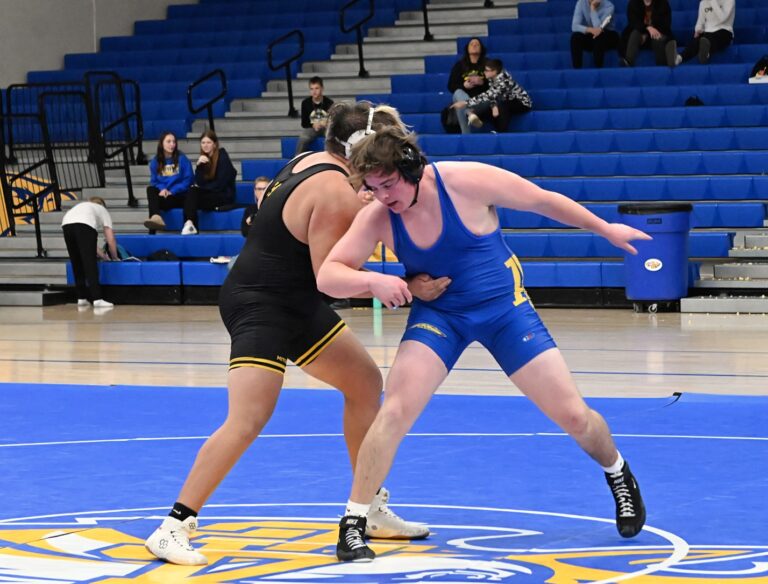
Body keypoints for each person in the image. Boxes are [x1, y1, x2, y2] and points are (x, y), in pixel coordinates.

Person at [315, 123, 652, 562]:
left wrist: (605, 229)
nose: (383, 196)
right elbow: (328, 273)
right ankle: (353, 523)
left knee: (573, 414)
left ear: (410, 166)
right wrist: (381, 279)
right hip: (441, 316)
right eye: (374, 189)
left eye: (389, 184)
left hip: (503, 310)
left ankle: (618, 472)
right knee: (394, 409)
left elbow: (543, 201)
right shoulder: (379, 215)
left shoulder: (464, 181)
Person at [144, 103, 439, 567]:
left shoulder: (308, 162)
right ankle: (172, 526)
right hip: (262, 304)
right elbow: (332, 277)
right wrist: (394, 282)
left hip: (292, 299)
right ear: (359, 148)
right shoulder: (334, 190)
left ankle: (372, 508)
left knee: (364, 384)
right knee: (248, 418)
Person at [61, 197, 118, 309]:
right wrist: (115, 257)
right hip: (84, 225)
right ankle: (97, 299)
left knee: (76, 262)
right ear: (102, 205)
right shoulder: (102, 209)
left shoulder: (82, 206)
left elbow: (89, 246)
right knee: (90, 263)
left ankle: (81, 298)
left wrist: (103, 255)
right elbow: (110, 238)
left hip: (66, 224)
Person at [451, 58, 532, 132]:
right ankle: (472, 116)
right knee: (488, 110)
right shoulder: (491, 78)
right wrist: (493, 105)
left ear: (495, 71)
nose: (484, 72)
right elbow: (492, 94)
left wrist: (465, 103)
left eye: (487, 70)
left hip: (522, 102)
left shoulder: (504, 81)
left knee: (503, 106)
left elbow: (488, 95)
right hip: (506, 99)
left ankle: (501, 132)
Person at [182, 129, 237, 235]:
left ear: (214, 144)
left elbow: (221, 184)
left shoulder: (222, 156)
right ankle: (190, 225)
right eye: (203, 143)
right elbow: (199, 182)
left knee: (193, 194)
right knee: (192, 193)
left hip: (223, 196)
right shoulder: (204, 159)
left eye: (208, 142)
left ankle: (190, 225)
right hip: (210, 195)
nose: (205, 145)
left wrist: (202, 189)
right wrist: (198, 166)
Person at [143, 132, 194, 232]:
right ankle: (155, 218)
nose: (172, 144)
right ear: (162, 143)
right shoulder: (155, 161)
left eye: (174, 142)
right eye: (169, 141)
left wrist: (173, 190)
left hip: (179, 196)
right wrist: (162, 189)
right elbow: (154, 181)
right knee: (151, 190)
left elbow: (189, 179)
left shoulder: (182, 159)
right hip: (165, 196)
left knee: (190, 192)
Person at [667, 0, 735, 66]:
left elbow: (722, 18)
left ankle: (706, 54)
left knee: (713, 39)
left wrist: (712, 1)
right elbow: (700, 21)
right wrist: (698, 30)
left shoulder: (729, 1)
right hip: (708, 32)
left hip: (725, 30)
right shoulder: (703, 2)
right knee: (696, 41)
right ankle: (678, 59)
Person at [447, 37, 488, 134]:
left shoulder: (487, 64)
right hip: (463, 99)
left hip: (481, 101)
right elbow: (450, 86)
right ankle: (470, 114)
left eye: (477, 44)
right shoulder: (459, 65)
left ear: (481, 49)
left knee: (461, 105)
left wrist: (482, 82)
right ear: (467, 49)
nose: (474, 45)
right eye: (471, 44)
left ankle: (466, 135)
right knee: (458, 93)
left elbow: (496, 86)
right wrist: (464, 86)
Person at [620, 0, 677, 67]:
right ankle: (628, 62)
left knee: (657, 38)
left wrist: (650, 32)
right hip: (640, 33)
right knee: (635, 34)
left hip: (658, 32)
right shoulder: (634, 2)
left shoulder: (663, 3)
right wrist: (647, 29)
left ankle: (663, 66)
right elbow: (633, 22)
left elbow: (666, 24)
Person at [571, 0, 621, 69]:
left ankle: (598, 70)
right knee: (575, 37)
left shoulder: (609, 6)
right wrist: (590, 30)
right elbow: (574, 26)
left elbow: (598, 28)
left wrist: (592, 9)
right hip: (593, 33)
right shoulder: (581, 2)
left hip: (608, 34)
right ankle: (577, 70)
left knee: (599, 37)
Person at [294, 76, 334, 156]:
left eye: (316, 88)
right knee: (303, 138)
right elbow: (304, 123)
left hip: (325, 128)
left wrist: (325, 123)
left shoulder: (329, 102)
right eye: (311, 89)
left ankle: (329, 159)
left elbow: (333, 120)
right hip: (312, 128)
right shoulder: (305, 103)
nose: (314, 91)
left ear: (322, 88)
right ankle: (296, 159)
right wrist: (313, 124)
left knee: (331, 137)